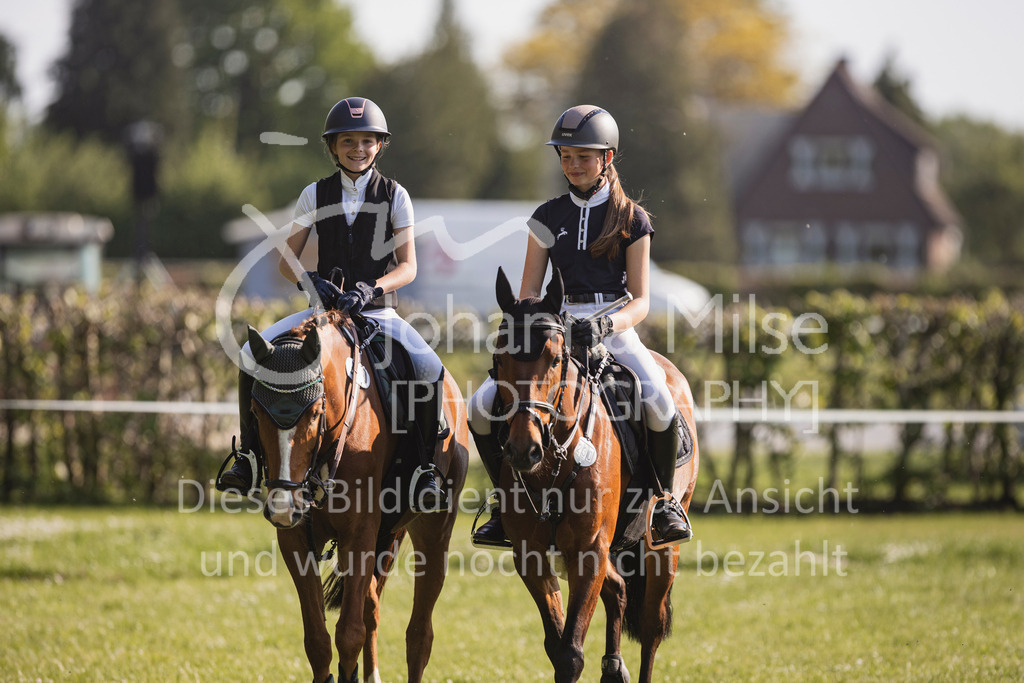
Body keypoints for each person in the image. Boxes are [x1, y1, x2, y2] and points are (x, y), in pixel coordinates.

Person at [467, 104, 691, 546]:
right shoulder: (547, 216)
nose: (572, 165)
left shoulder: (633, 219)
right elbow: (530, 290)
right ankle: (503, 503)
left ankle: (663, 503)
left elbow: (641, 300)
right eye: (566, 156)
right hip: (556, 325)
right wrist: (530, 324)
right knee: (480, 405)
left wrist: (605, 327)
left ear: (607, 158)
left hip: (614, 325)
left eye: (583, 157)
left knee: (659, 399)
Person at [216, 96, 448, 512]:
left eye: (366, 141)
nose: (357, 149)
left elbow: (408, 266)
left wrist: (371, 289)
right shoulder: (314, 193)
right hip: (325, 311)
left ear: (380, 145)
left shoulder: (396, 195)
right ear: (333, 146)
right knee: (252, 354)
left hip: (377, 311)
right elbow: (285, 260)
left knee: (428, 368)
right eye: (347, 141)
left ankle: (423, 469)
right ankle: (248, 457)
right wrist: (314, 282)